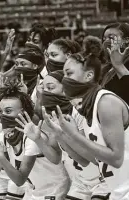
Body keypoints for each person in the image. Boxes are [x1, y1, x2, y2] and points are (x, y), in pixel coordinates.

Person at [43, 38, 129, 200]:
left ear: (89, 75)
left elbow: (116, 159)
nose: (65, 79)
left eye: (69, 73)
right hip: (118, 189)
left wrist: (74, 135)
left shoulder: (106, 103)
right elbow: (96, 161)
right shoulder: (84, 107)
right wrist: (62, 134)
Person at [0, 83, 69, 200]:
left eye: (8, 111)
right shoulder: (3, 135)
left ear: (22, 112)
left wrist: (1, 157)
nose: (2, 116)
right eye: (0, 111)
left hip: (54, 189)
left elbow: (19, 180)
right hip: (33, 189)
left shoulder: (31, 138)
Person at [101, 23, 129, 105]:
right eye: (104, 38)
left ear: (126, 40)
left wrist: (119, 66)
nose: (106, 41)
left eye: (111, 37)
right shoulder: (106, 68)